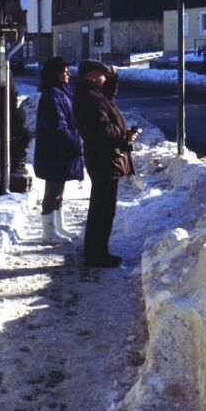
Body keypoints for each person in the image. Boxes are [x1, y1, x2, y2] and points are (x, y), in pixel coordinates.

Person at [72, 59, 140, 267]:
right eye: (102, 74)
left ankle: (97, 251)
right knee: (102, 210)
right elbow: (102, 130)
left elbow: (107, 101)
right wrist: (125, 136)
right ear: (92, 76)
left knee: (102, 208)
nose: (104, 77)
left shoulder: (91, 94)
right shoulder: (89, 98)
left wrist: (112, 80)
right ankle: (96, 255)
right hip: (103, 158)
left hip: (103, 158)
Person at [33, 56, 84, 243]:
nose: (69, 75)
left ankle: (58, 226)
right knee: (53, 189)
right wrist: (73, 145)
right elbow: (58, 126)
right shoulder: (53, 95)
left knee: (58, 189)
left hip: (60, 151)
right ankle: (48, 231)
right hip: (55, 152)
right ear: (56, 75)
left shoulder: (60, 93)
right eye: (65, 72)